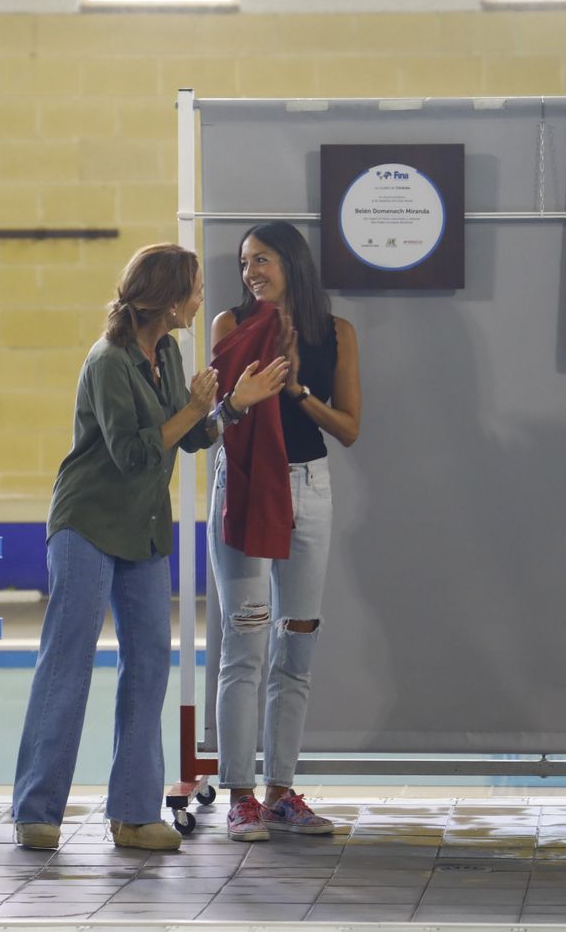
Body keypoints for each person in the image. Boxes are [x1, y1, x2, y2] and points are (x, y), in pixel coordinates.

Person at [11, 243, 287, 852]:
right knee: (68, 664)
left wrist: (232, 405)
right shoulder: (109, 360)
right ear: (164, 298)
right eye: (192, 288)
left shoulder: (165, 349)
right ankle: (37, 811)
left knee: (148, 670)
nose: (200, 298)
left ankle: (134, 814)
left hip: (143, 529)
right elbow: (134, 453)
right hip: (86, 523)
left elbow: (186, 440)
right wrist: (192, 406)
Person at [208, 221, 361, 842]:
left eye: (263, 260)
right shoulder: (228, 324)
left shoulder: (336, 332)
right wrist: (253, 391)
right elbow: (220, 420)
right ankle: (240, 795)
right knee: (244, 644)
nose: (252, 272)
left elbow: (349, 427)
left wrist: (296, 390)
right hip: (246, 484)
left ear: (291, 263)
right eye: (246, 263)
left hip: (310, 486)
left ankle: (281, 793)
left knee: (296, 645)